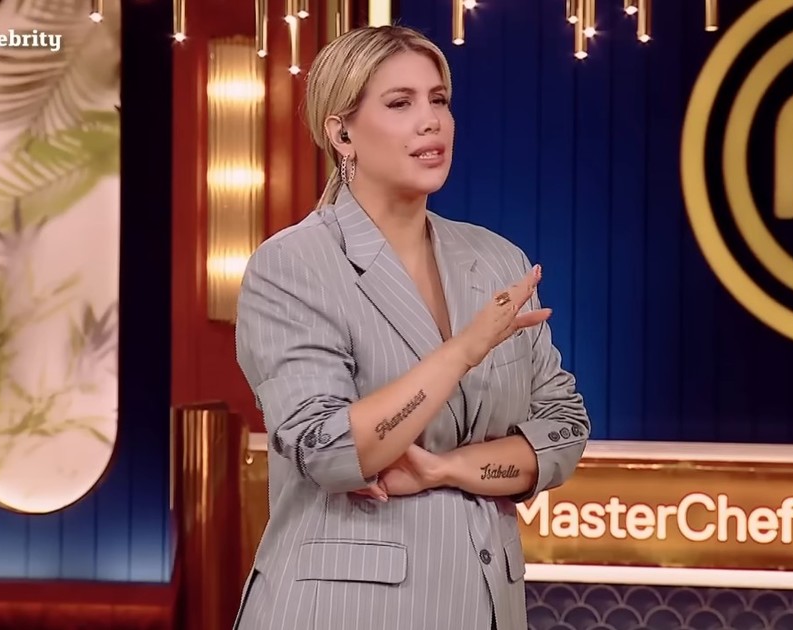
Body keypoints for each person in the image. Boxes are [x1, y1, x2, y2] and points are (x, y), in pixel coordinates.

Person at [231, 24, 591, 630]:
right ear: (341, 133)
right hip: (344, 612)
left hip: (485, 608)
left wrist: (445, 470)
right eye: (400, 103)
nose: (432, 122)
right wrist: (464, 349)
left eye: (439, 100)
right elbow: (333, 450)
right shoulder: (293, 265)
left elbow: (563, 432)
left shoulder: (496, 260)